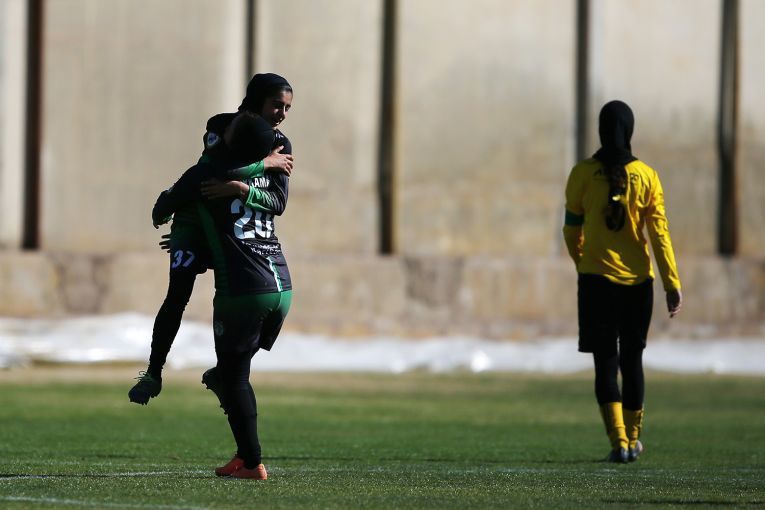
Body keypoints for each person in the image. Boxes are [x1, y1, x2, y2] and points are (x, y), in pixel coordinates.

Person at [129, 73, 295, 406]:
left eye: (287, 108)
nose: (282, 114)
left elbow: (277, 203)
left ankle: (225, 372)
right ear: (257, 100)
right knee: (178, 292)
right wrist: (263, 164)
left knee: (263, 304)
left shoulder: (282, 144)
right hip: (194, 221)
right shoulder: (221, 125)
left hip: (229, 232)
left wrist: (243, 189)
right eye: (277, 105)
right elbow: (208, 175)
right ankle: (153, 373)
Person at [152, 110, 293, 480]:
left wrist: (182, 232)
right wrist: (264, 166)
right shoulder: (269, 172)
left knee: (234, 378)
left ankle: (252, 462)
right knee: (231, 372)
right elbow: (271, 207)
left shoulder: (210, 175)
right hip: (282, 287)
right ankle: (243, 455)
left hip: (244, 290)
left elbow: (160, 209)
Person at [562, 100, 682, 463]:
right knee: (632, 361)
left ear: (601, 130)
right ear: (629, 131)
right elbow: (659, 235)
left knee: (605, 363)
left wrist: (583, 262)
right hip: (638, 287)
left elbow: (571, 230)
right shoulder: (647, 176)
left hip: (596, 283)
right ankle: (633, 438)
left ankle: (619, 443)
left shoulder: (582, 174)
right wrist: (671, 283)